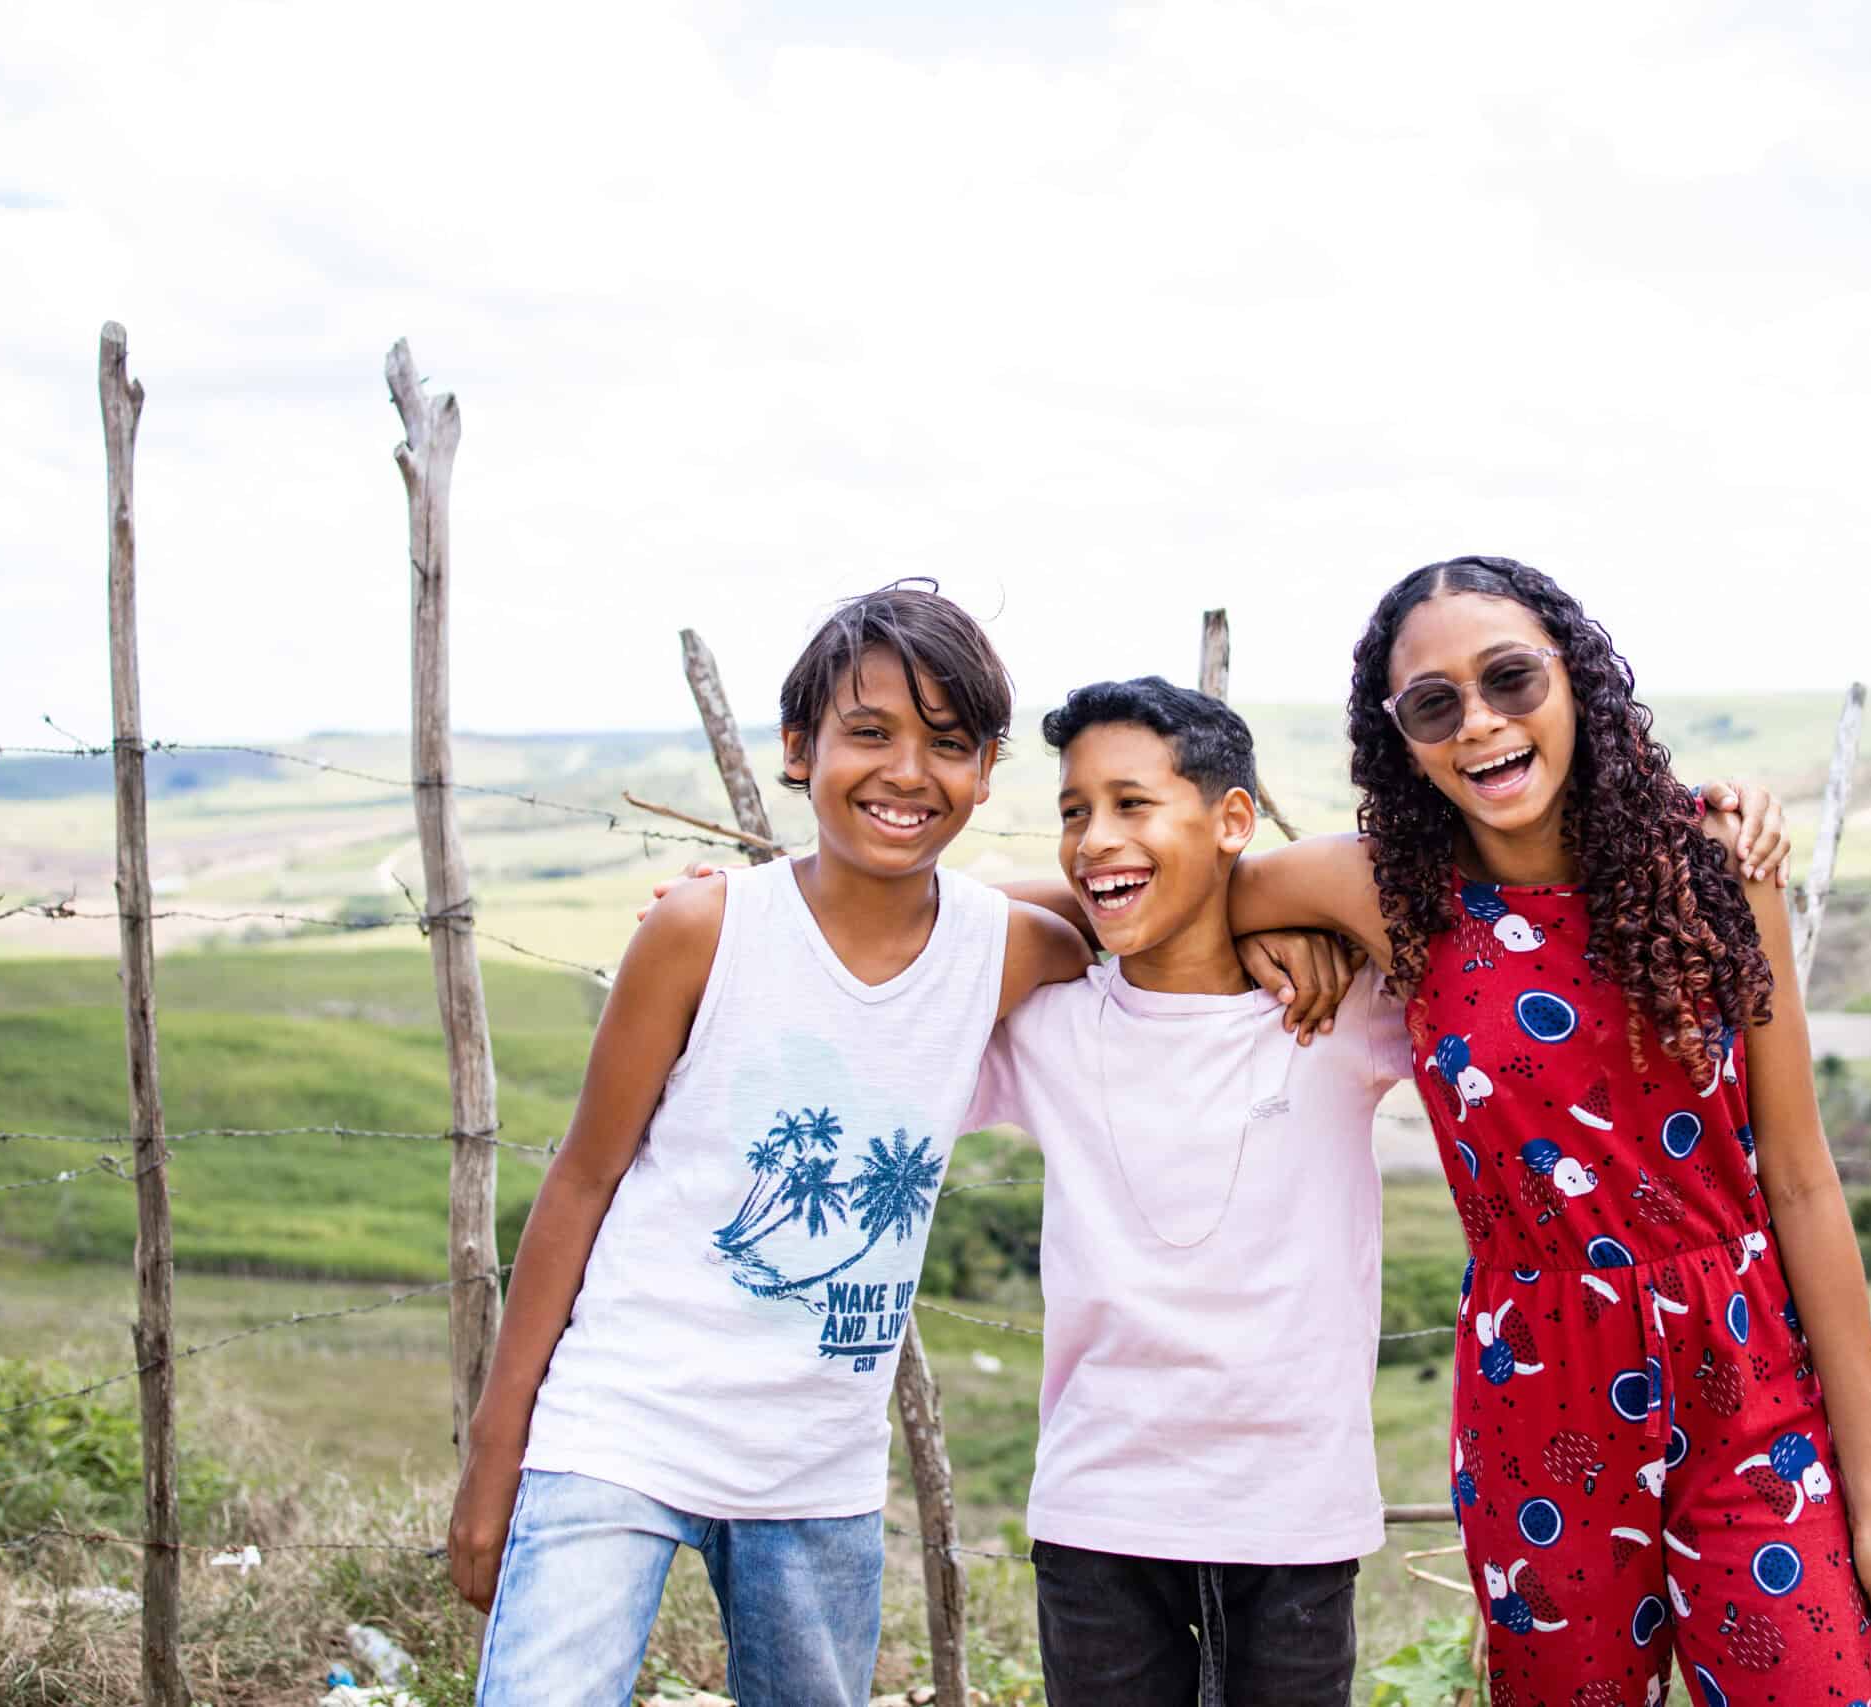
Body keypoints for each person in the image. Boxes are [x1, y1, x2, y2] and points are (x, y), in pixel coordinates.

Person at [452, 582, 1350, 1707]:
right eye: (868, 734)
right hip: (618, 1426)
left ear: (983, 773)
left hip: (818, 1466)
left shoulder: (1006, 949)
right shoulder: (700, 930)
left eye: (949, 744)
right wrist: (497, 1454)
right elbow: (583, 1177)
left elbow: (1140, 907)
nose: (907, 773)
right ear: (797, 747)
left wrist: (1282, 929)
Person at [1209, 556, 1871, 1704]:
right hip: (1536, 1395)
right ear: (1398, 739)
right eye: (1433, 705)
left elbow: (1799, 1182)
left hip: (1747, 1386)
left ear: (1577, 683)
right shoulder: (1385, 895)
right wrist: (1276, 938)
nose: (1481, 724)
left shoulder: (1712, 869)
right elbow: (1170, 897)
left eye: (1510, 679)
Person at [962, 677, 1410, 1706]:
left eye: (1131, 804)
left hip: (1294, 1514)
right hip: (1099, 1516)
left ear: (1232, 820)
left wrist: (1273, 906)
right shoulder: (1046, 1020)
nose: (1092, 837)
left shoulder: (1339, 1007)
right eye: (1073, 811)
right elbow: (925, 933)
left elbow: (1442, 901)